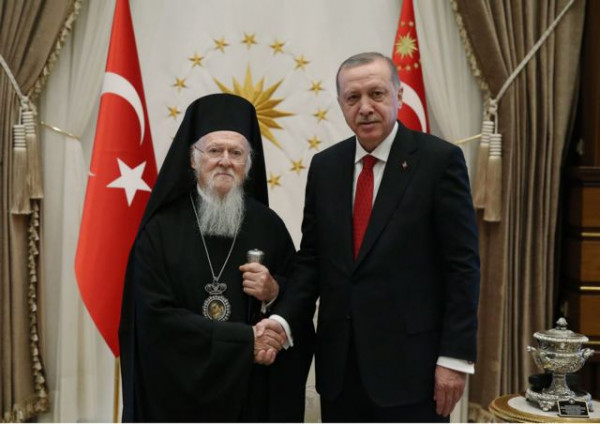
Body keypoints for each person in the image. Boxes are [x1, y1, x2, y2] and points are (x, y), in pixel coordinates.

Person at [262, 52, 480, 422]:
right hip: (340, 371)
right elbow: (312, 260)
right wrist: (282, 321)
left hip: (413, 372)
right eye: (353, 98)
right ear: (341, 105)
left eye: (376, 94)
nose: (365, 107)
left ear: (399, 95)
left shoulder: (438, 161)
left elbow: (462, 266)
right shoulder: (325, 167)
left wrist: (455, 358)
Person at [119, 93, 315, 422]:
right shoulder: (160, 230)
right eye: (214, 151)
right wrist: (244, 341)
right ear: (193, 159)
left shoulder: (269, 225)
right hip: (179, 400)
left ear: (248, 163)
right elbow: (153, 318)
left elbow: (299, 294)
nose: (225, 161)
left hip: (250, 399)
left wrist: (274, 292)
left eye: (236, 152)